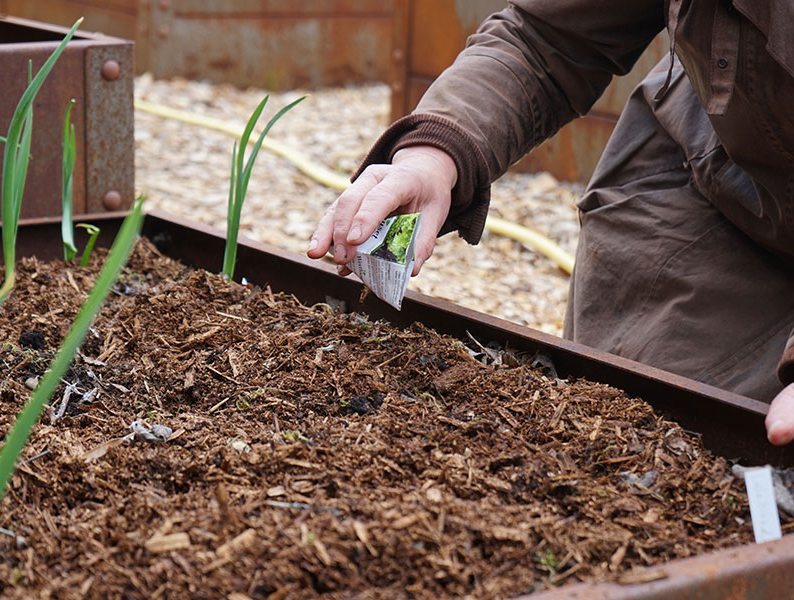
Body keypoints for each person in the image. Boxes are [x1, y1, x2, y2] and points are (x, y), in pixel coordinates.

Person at [306, 1, 794, 445]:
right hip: (719, 171)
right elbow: (544, 36)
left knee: (754, 457)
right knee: (629, 418)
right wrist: (436, 151)